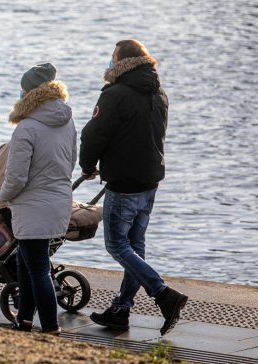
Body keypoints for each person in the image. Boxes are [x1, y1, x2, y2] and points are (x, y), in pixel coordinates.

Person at [79, 39, 187, 335]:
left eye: (112, 57)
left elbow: (93, 135)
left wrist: (87, 167)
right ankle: (121, 309)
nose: (109, 62)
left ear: (122, 62)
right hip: (149, 181)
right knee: (135, 246)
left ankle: (164, 294)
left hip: (124, 182)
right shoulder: (159, 93)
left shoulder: (115, 95)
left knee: (117, 244)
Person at [0, 62, 77, 335]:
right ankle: (24, 319)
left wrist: (3, 197)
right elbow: (71, 163)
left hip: (32, 206)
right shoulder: (67, 121)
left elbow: (16, 177)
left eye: (21, 91)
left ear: (30, 94)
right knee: (25, 260)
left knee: (39, 270)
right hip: (58, 201)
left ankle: (51, 327)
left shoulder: (26, 128)